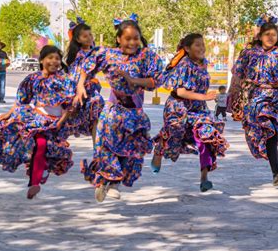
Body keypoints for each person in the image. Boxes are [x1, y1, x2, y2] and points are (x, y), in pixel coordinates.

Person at [75, 13, 163, 203]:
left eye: (136, 38)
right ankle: (105, 182)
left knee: (133, 152)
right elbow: (87, 66)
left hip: (135, 113)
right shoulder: (108, 55)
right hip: (114, 111)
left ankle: (113, 184)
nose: (132, 42)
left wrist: (134, 80)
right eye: (128, 39)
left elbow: (155, 81)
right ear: (118, 39)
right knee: (107, 147)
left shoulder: (146, 56)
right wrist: (81, 85)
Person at [0, 45, 76, 199]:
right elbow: (21, 100)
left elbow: (70, 107)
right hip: (37, 120)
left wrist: (61, 122)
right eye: (50, 58)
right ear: (42, 60)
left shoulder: (65, 80)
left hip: (57, 124)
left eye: (57, 58)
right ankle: (34, 183)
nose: (54, 61)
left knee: (51, 152)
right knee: (40, 146)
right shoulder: (33, 79)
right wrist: (8, 114)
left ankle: (42, 171)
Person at [230, 15, 278, 186]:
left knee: (273, 131)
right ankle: (276, 171)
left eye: (273, 34)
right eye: (267, 34)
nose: (271, 37)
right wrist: (234, 93)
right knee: (267, 126)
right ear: (260, 36)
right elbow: (237, 73)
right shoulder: (249, 53)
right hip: (256, 96)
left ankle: (276, 172)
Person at [152, 33, 229, 192]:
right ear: (187, 48)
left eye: (203, 44)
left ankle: (204, 177)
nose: (202, 48)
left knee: (206, 135)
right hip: (178, 108)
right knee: (174, 137)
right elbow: (180, 91)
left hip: (198, 109)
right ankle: (159, 149)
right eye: (197, 45)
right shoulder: (184, 66)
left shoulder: (204, 63)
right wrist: (204, 96)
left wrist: (207, 97)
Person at [65, 17, 104, 140]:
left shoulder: (94, 52)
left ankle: (97, 150)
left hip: (91, 91)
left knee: (97, 116)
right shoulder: (80, 55)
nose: (89, 38)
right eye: (85, 36)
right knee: (67, 119)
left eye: (90, 35)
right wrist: (76, 92)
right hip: (78, 90)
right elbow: (74, 76)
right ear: (78, 39)